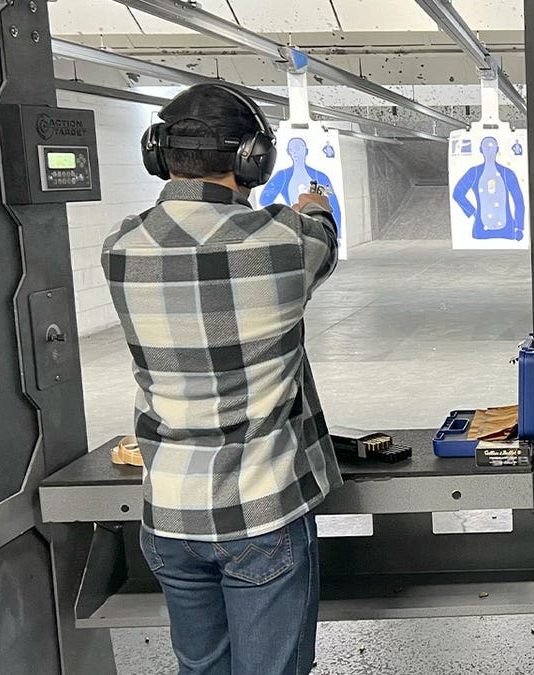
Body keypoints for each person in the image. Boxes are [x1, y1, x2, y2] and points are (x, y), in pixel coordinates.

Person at [103, 83, 342, 675]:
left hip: (168, 513)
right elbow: (324, 240)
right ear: (253, 159)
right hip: (260, 509)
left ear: (158, 153)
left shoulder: (121, 249)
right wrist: (315, 203)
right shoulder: (285, 240)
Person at [260, 136, 344, 229]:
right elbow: (264, 200)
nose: (295, 152)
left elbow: (334, 206)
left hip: (317, 226)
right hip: (296, 226)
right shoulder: (283, 176)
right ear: (288, 152)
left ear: (306, 151)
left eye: (298, 148)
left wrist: (338, 233)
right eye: (292, 149)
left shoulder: (320, 176)